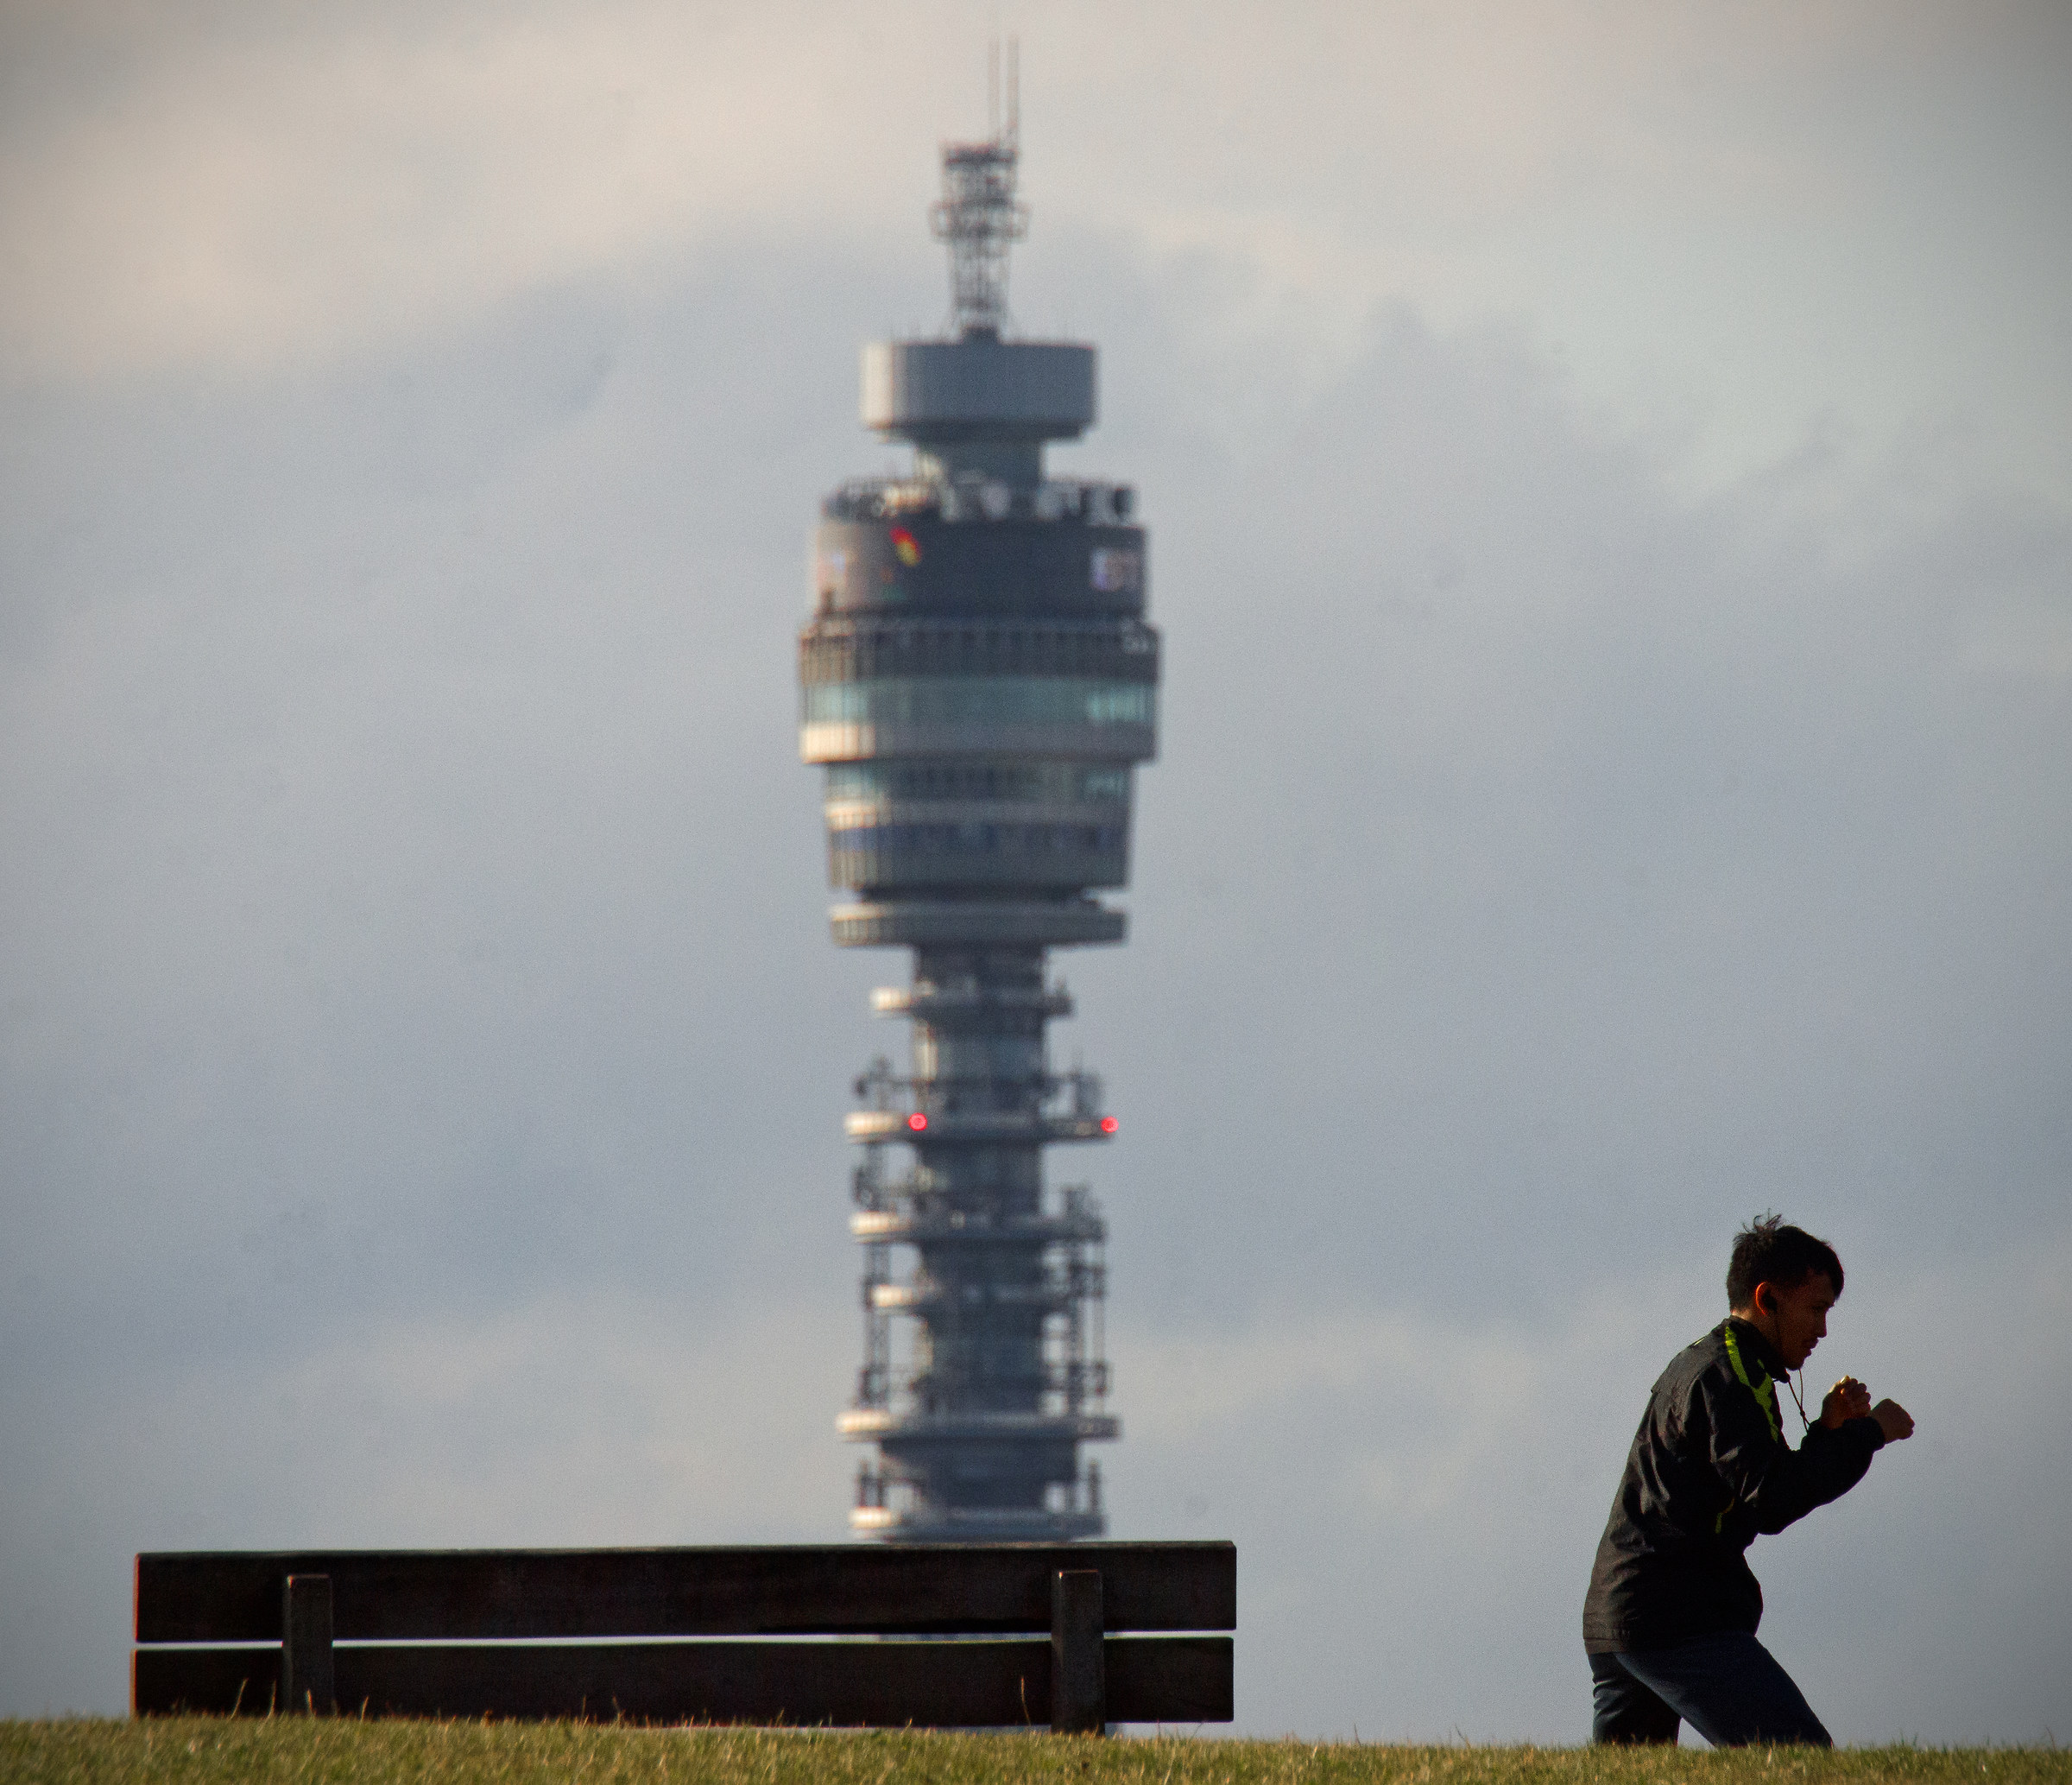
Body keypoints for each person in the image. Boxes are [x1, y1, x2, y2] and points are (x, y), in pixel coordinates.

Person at [1582, 1215, 1913, 1746]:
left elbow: (1765, 1479)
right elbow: (1774, 1499)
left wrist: (1828, 1432)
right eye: (1816, 1309)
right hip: (1673, 1618)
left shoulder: (1721, 1364)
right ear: (1767, 1298)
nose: (1823, 1330)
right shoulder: (1728, 1377)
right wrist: (1869, 1434)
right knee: (1798, 1758)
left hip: (1622, 1612)